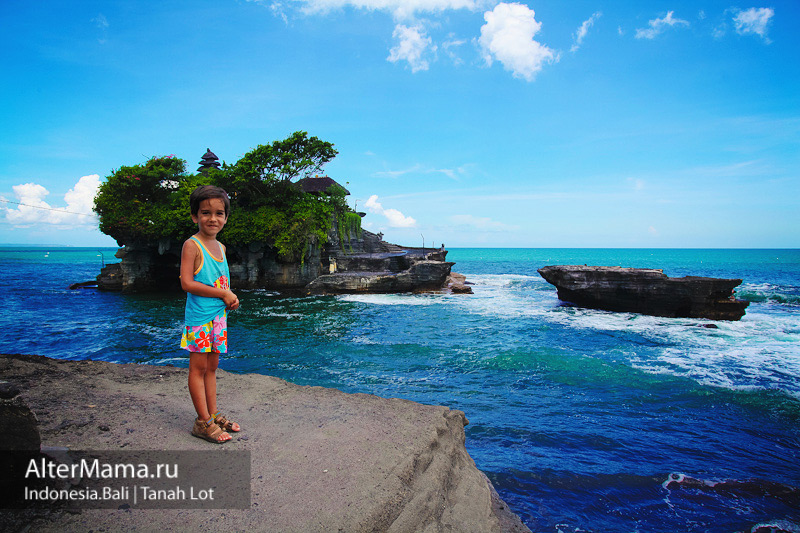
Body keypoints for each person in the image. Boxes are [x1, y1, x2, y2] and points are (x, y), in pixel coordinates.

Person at [179, 185, 241, 443]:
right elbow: (187, 283)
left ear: (226, 218)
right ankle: (202, 421)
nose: (212, 218)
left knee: (212, 367)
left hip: (218, 317)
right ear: (195, 216)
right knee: (198, 368)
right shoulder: (192, 245)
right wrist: (224, 294)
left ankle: (213, 414)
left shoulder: (221, 248)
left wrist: (230, 298)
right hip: (200, 318)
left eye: (219, 213)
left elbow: (219, 281)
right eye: (206, 213)